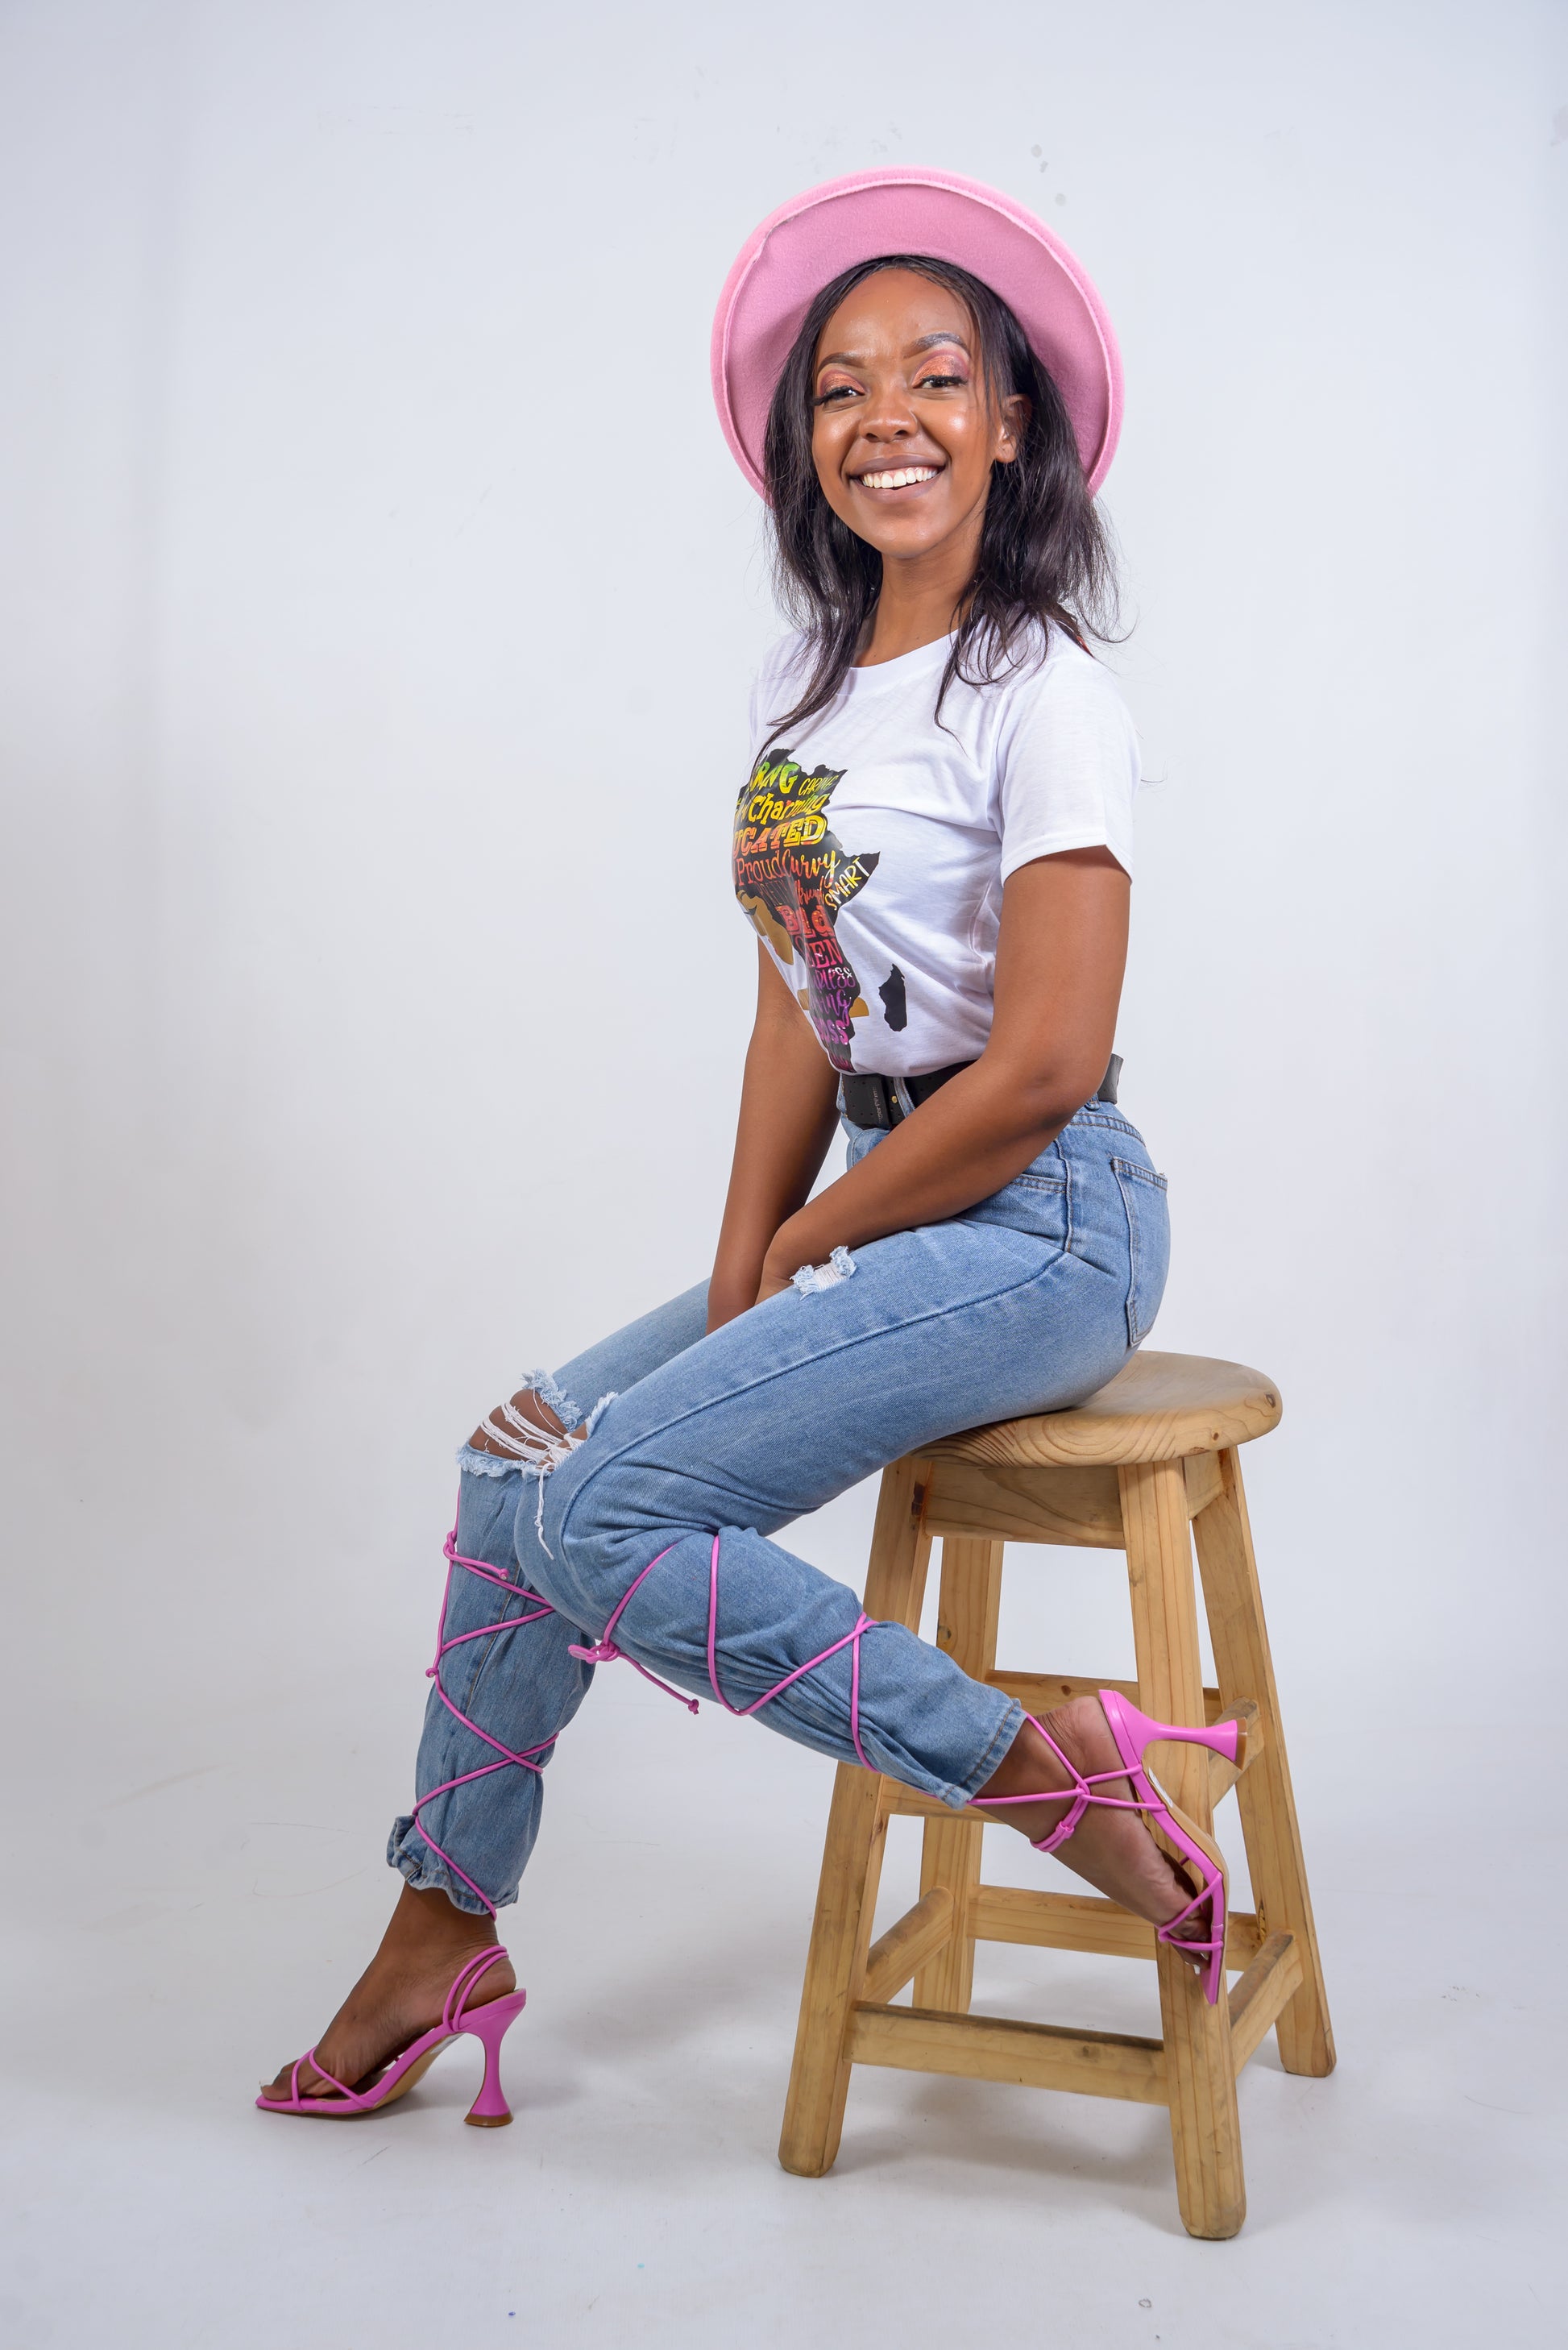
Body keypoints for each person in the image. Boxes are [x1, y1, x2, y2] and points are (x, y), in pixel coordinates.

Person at [259, 168, 1235, 2127]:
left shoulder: (1045, 691)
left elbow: (1042, 1063)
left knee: (599, 1520)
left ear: (1009, 421)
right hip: (880, 1206)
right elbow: (800, 1004)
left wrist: (818, 1241)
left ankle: (1044, 1773)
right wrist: (745, 1261)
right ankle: (442, 1930)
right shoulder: (817, 707)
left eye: (934, 376)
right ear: (803, 446)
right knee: (517, 1464)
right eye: (839, 388)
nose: (886, 416)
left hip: (1039, 1220)